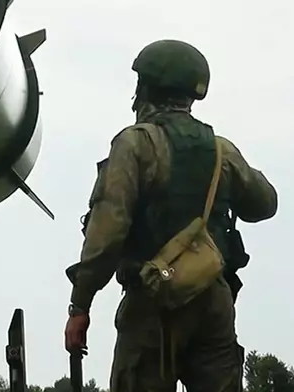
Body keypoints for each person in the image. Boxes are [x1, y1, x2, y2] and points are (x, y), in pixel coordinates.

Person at [63, 39, 278, 391]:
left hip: (152, 304)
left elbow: (107, 233)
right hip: (213, 303)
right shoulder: (220, 149)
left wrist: (80, 306)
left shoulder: (135, 145)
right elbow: (265, 203)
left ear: (146, 88)